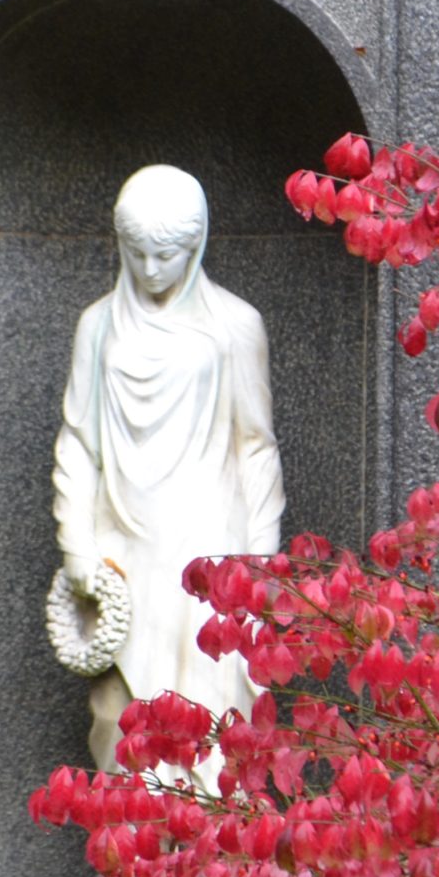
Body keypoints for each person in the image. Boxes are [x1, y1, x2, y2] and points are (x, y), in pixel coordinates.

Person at [52, 164, 284, 792]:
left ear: (197, 244)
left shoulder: (234, 326)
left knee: (215, 729)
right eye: (137, 255)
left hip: (209, 557)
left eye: (166, 256)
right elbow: (78, 441)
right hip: (123, 557)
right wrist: (76, 546)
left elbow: (256, 449)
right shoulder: (98, 326)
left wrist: (258, 569)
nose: (151, 271)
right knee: (120, 726)